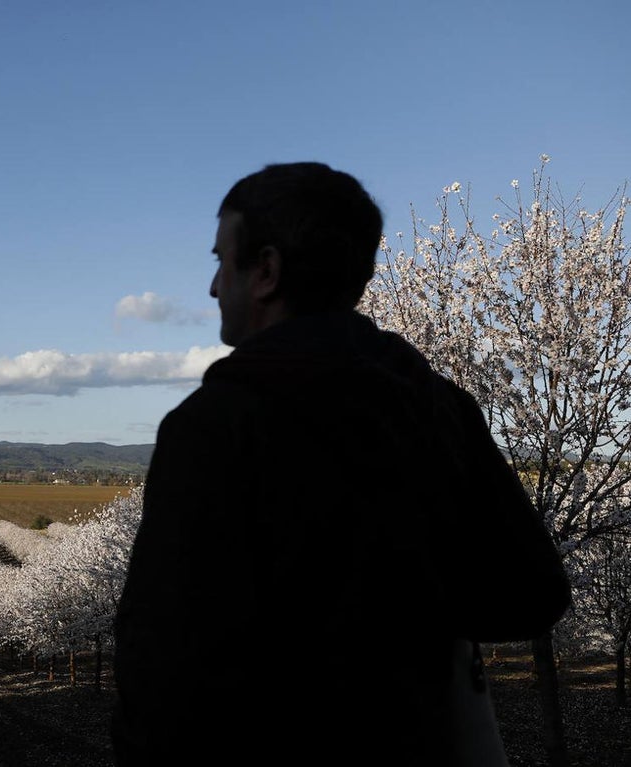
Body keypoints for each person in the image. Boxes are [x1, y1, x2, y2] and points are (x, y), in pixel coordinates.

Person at [111, 162, 571, 766]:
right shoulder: (440, 409)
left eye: (222, 261)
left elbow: (161, 663)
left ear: (267, 271)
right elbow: (532, 595)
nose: (214, 286)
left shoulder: (215, 425)